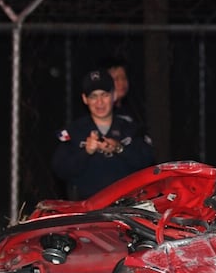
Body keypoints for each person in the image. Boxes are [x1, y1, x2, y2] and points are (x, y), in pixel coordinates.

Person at [52, 66, 155, 200]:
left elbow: (148, 162)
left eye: (104, 95)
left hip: (126, 205)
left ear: (114, 95)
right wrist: (86, 152)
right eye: (93, 96)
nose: (99, 102)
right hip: (86, 206)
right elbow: (60, 170)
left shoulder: (131, 129)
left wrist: (119, 149)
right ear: (85, 99)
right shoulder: (73, 132)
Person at [103, 56, 148, 130]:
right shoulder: (101, 112)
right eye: (116, 79)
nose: (122, 83)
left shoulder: (133, 110)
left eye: (124, 78)